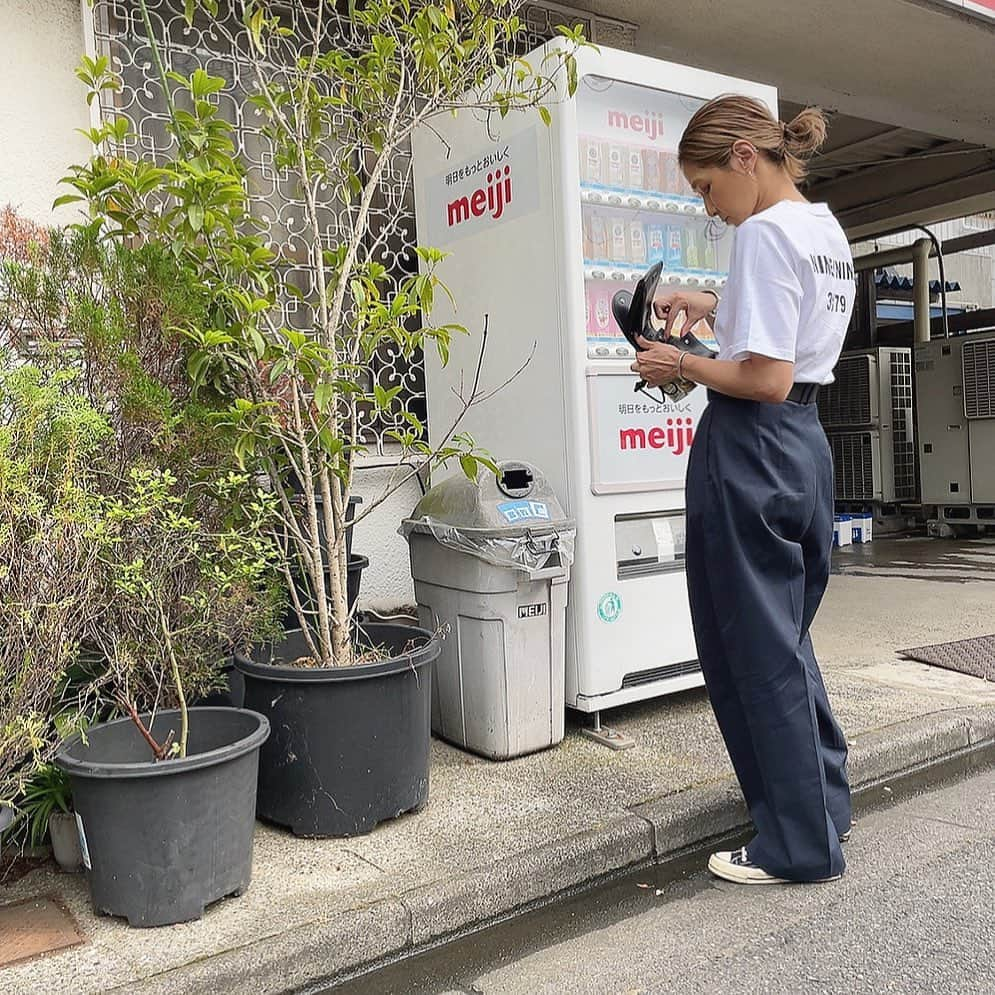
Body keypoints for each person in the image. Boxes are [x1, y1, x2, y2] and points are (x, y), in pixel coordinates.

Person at [630, 95, 855, 885]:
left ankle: (793, 845)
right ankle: (823, 811)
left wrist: (677, 361)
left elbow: (761, 375)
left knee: (749, 650)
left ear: (742, 160)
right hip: (805, 448)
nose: (707, 207)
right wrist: (711, 304)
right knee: (785, 640)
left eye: (703, 187)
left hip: (751, 449)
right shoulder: (822, 230)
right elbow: (791, 334)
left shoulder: (759, 233)